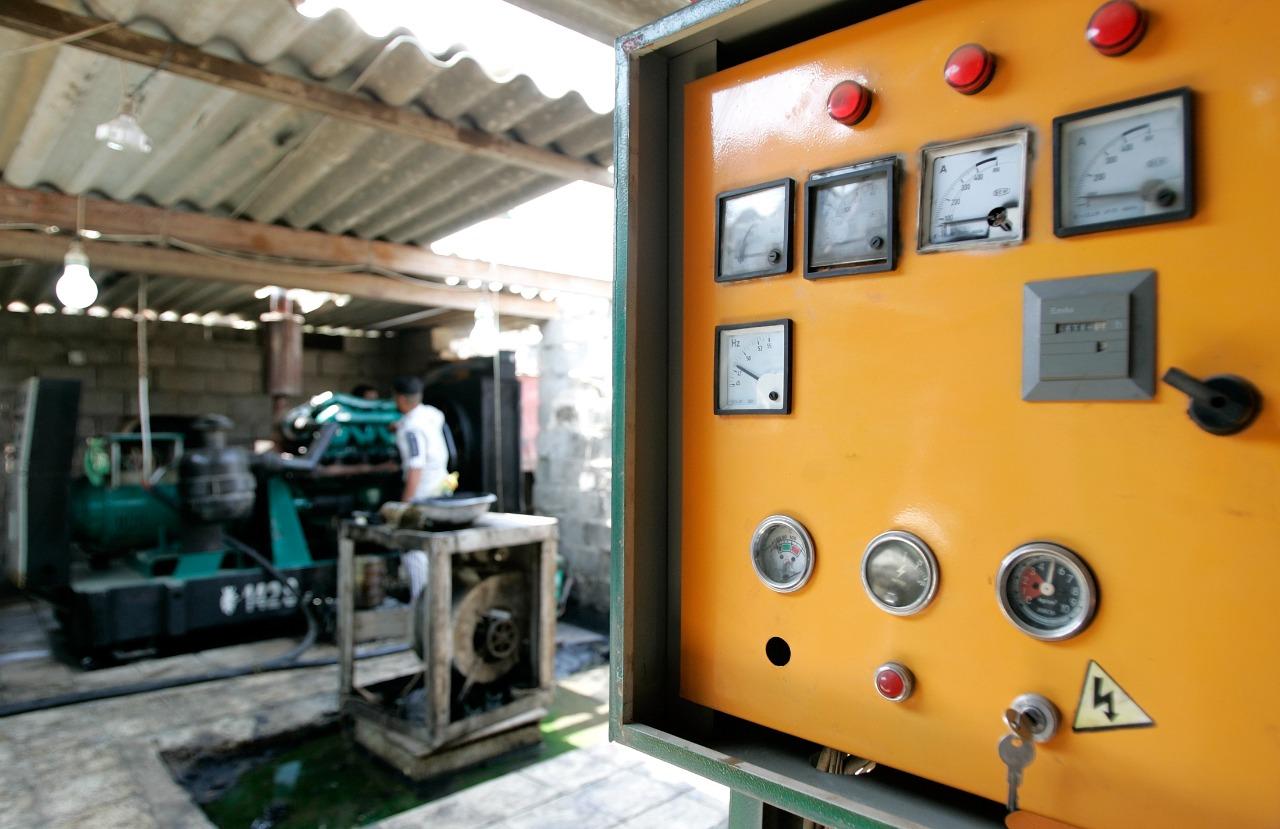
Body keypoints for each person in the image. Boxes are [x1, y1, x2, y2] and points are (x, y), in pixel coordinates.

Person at [392, 375, 451, 503]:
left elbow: (416, 466)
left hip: (423, 495)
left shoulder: (411, 427)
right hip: (442, 488)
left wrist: (406, 504)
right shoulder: (432, 414)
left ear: (401, 399)